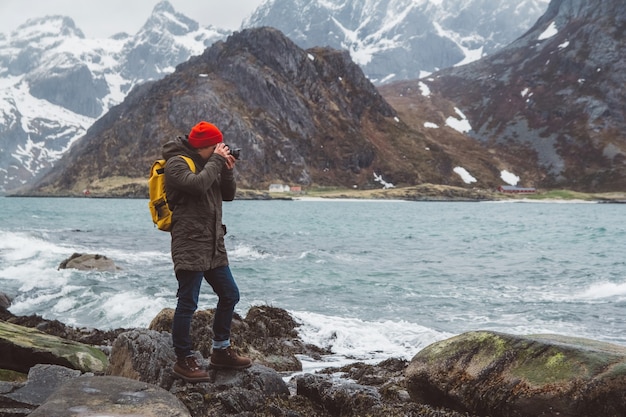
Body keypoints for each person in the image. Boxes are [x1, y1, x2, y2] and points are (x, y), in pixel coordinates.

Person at [163, 121, 251, 382]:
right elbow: (197, 186)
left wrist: (226, 170)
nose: (220, 150)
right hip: (189, 243)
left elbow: (229, 194)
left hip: (213, 244)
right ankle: (183, 359)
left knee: (230, 294)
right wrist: (215, 161)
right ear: (203, 147)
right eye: (215, 147)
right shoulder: (176, 164)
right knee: (188, 301)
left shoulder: (210, 163)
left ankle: (221, 350)